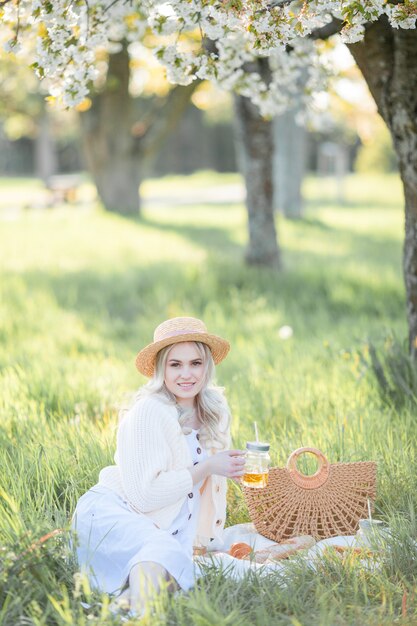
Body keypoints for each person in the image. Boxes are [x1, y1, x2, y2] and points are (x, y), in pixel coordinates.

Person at [72, 316, 246, 615]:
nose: (187, 374)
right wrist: (207, 467)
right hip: (114, 511)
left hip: (162, 530)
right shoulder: (148, 412)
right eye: (175, 364)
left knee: (177, 563)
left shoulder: (215, 410)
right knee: (164, 552)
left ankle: (120, 610)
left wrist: (234, 472)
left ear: (208, 366)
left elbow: (204, 494)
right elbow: (144, 496)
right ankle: (143, 616)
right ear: (160, 369)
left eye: (195, 363)